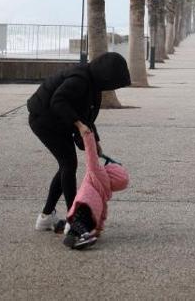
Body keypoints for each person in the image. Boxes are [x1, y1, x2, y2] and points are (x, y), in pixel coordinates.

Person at [27, 51, 131, 240]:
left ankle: (46, 218)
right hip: (43, 119)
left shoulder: (94, 86)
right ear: (106, 76)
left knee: (66, 165)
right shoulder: (80, 79)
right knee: (68, 165)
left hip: (59, 122)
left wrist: (95, 140)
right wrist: (78, 124)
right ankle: (73, 219)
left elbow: (88, 116)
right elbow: (58, 101)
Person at [63, 132, 129, 249]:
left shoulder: (97, 173)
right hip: (93, 220)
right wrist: (98, 229)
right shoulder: (105, 193)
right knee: (79, 227)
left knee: (75, 223)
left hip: (84, 206)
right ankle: (79, 238)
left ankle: (82, 236)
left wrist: (88, 137)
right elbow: (103, 214)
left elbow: (91, 156)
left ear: (111, 171)